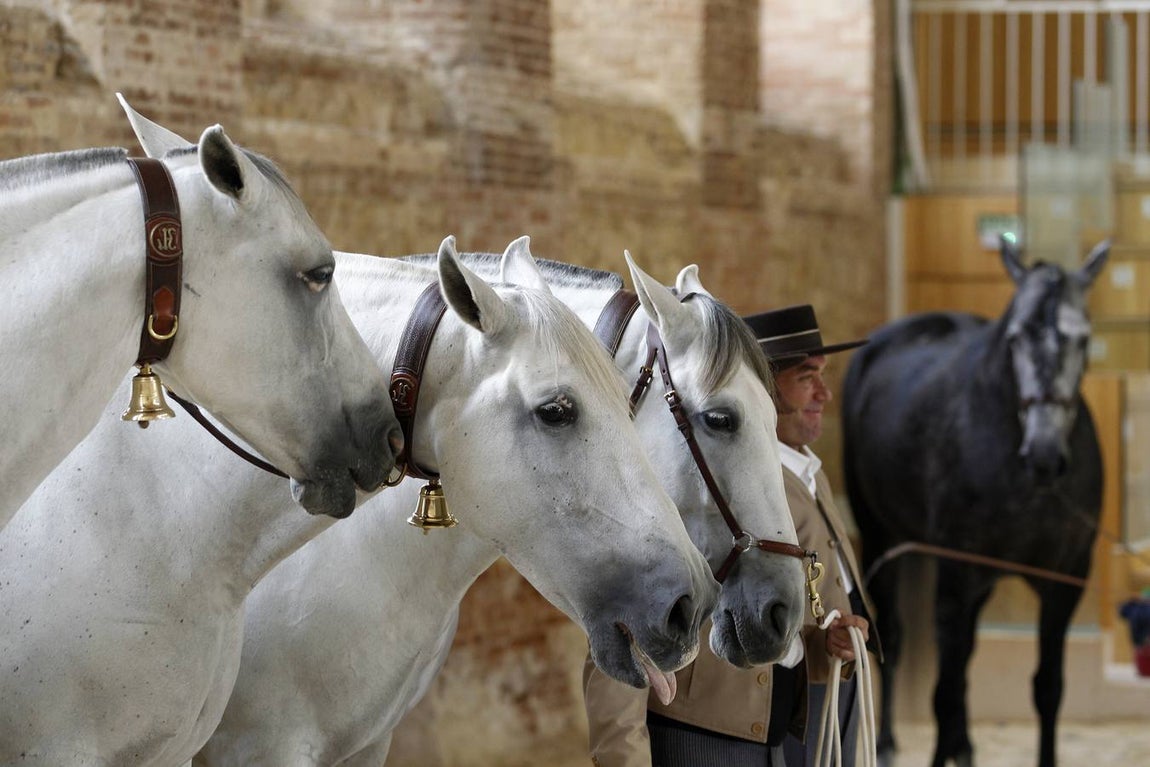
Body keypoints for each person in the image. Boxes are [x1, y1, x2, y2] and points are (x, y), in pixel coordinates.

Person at [581, 304, 879, 767]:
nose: (824, 393)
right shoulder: (693, 484)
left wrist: (825, 647)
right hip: (699, 736)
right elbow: (625, 634)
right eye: (806, 377)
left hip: (775, 731)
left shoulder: (807, 473)